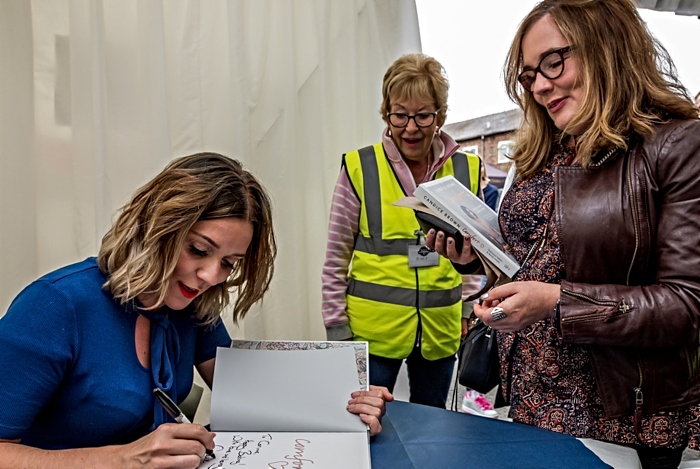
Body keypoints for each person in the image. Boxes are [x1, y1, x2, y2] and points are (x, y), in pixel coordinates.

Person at [427, 1, 700, 467]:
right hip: (534, 401)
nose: (540, 86)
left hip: (623, 419)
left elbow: (688, 304)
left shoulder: (674, 146)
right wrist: (474, 260)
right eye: (529, 75)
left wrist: (556, 301)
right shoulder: (543, 154)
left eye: (554, 62)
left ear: (607, 47)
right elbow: (539, 259)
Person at [0, 152, 391, 468]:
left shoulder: (188, 304)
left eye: (229, 263)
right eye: (199, 250)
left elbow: (249, 392)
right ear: (155, 226)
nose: (209, 275)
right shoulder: (54, 307)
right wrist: (121, 459)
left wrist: (345, 403)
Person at [321, 53, 488, 411]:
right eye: (400, 115)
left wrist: (468, 313)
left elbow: (479, 255)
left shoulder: (467, 168)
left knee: (434, 427)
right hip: (371, 336)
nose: (410, 128)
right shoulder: (359, 166)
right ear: (386, 114)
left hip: (441, 332)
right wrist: (337, 330)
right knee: (368, 427)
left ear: (440, 115)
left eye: (423, 115)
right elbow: (335, 258)